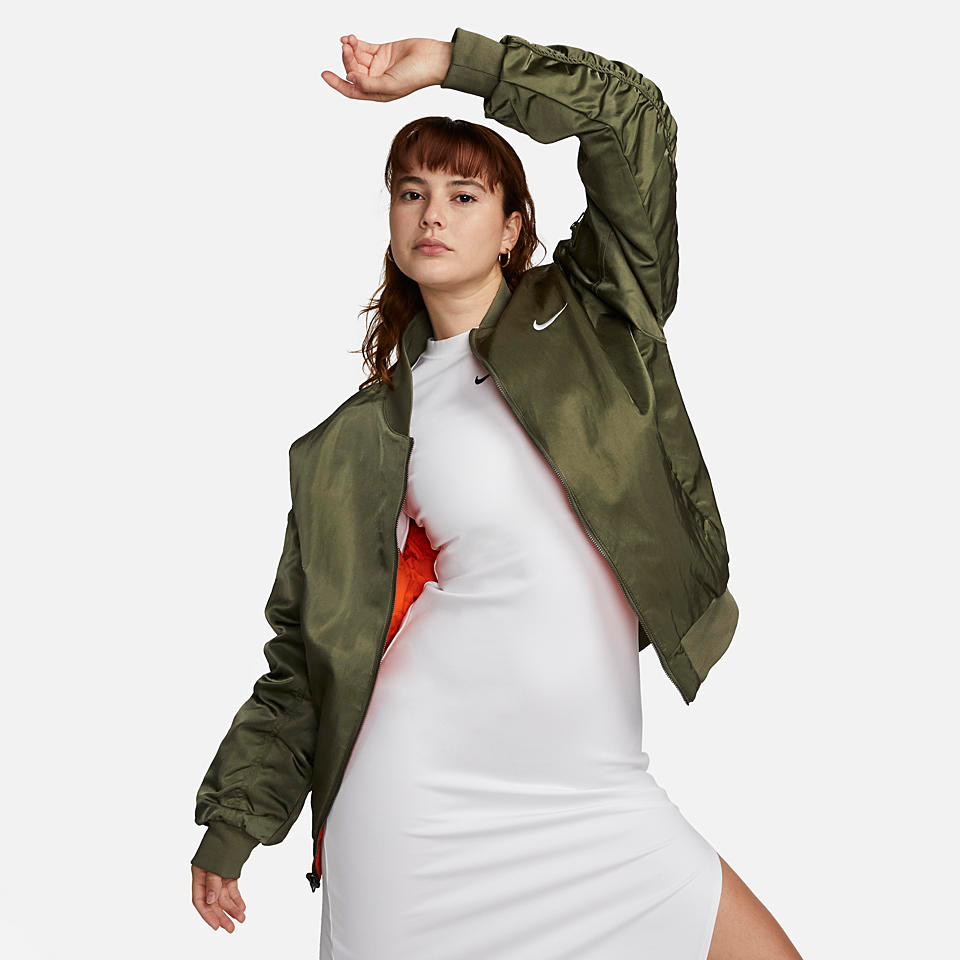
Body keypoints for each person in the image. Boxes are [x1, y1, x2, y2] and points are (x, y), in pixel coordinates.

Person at [190, 27, 804, 960]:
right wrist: (235, 820)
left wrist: (452, 64)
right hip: (416, 807)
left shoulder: (599, 315)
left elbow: (633, 118)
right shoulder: (356, 439)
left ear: (514, 227)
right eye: (411, 193)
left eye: (463, 194)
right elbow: (305, 656)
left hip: (598, 797)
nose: (431, 214)